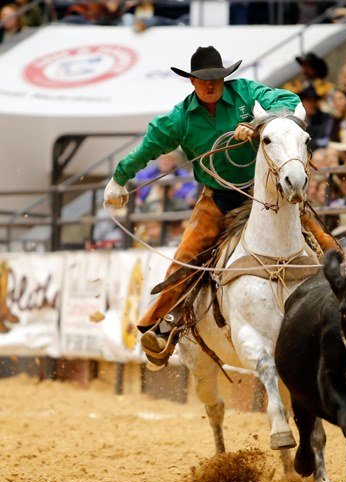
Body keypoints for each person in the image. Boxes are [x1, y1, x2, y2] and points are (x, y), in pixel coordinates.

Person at [103, 46, 334, 369]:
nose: (210, 85)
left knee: (321, 237)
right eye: (202, 80)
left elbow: (289, 102)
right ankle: (160, 326)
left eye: (216, 79)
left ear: (224, 78)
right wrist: (120, 178)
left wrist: (258, 124)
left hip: (266, 190)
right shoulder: (180, 119)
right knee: (187, 257)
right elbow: (148, 147)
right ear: (193, 82)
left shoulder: (247, 94)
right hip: (220, 197)